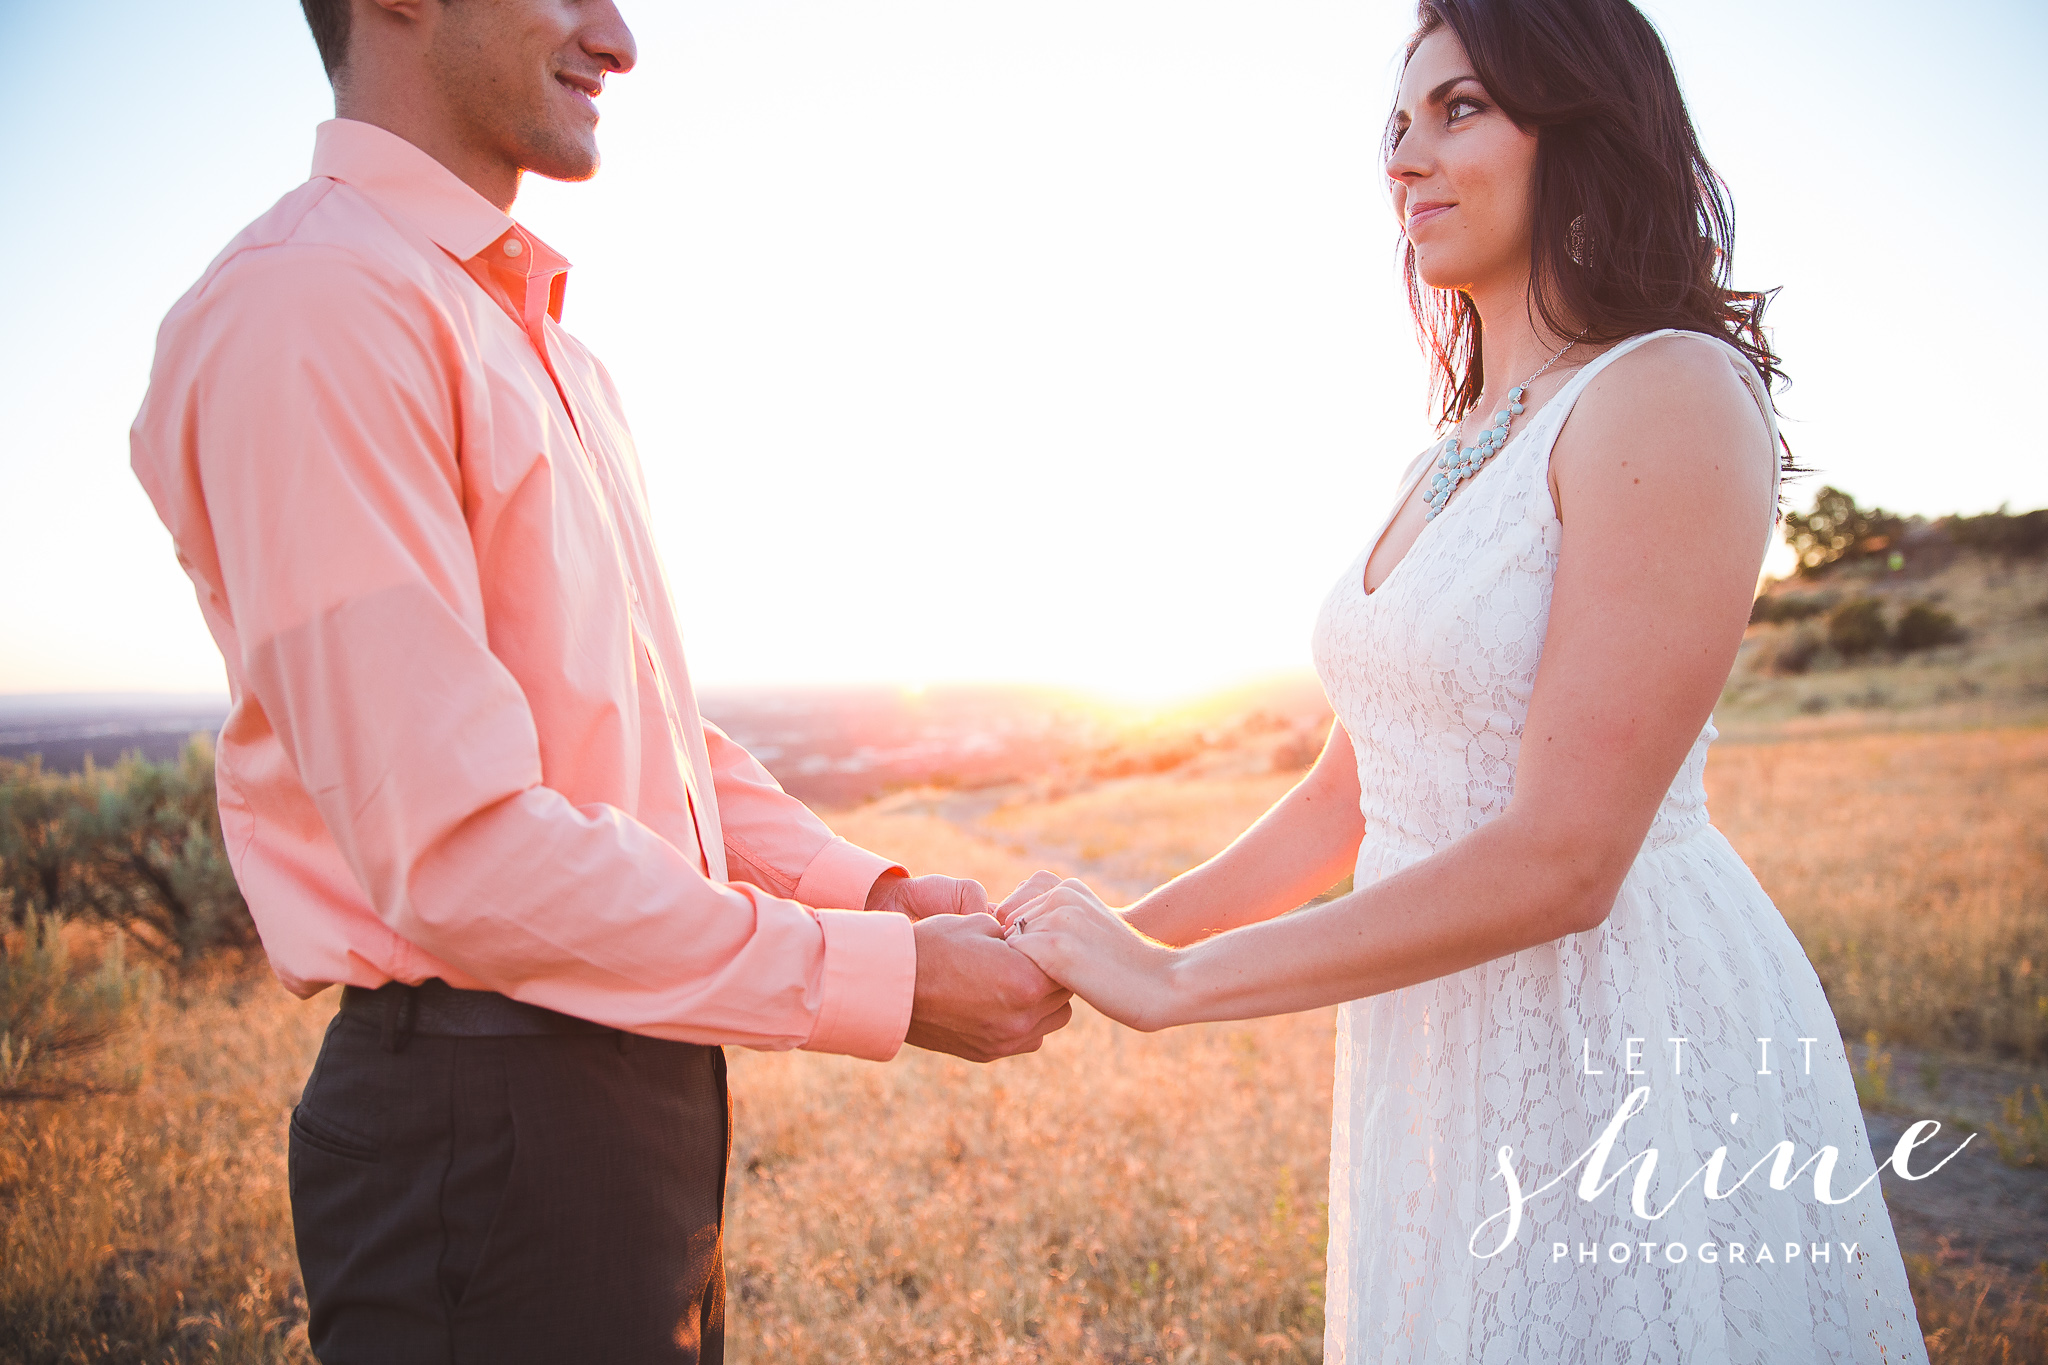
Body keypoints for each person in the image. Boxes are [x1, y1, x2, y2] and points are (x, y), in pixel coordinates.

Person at [128, 1, 1070, 1360]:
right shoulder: (312, 308)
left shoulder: (548, 345)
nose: (619, 37)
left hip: (627, 1086)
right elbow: (458, 851)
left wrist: (866, 891)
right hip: (486, 1117)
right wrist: (890, 979)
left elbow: (635, 723)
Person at [996, 1, 1927, 1360]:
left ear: (1583, 126)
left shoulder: (1667, 392)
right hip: (1437, 1035)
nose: (1406, 157)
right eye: (1396, 123)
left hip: (1613, 1025)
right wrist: (1108, 945)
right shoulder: (1446, 454)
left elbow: (1565, 859)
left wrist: (1180, 987)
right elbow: (1350, 794)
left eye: (1462, 109)